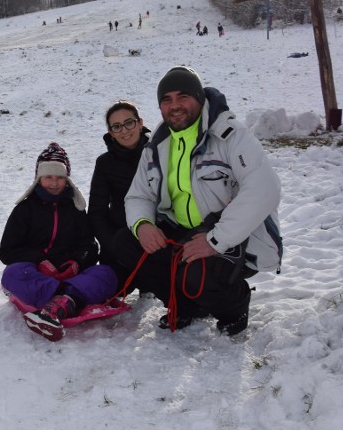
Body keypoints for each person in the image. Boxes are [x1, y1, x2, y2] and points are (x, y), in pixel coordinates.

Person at [108, 66, 282, 336]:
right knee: (126, 243)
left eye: (183, 97)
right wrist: (143, 224)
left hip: (228, 234)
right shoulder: (157, 143)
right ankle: (186, 305)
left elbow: (264, 189)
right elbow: (138, 194)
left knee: (198, 275)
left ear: (199, 98)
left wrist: (216, 239)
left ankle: (234, 307)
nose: (175, 106)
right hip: (180, 229)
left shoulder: (230, 134)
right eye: (167, 100)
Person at [0, 142, 118, 341]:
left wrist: (76, 262)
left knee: (106, 273)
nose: (54, 183)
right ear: (38, 179)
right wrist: (38, 260)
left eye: (60, 178)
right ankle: (68, 300)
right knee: (12, 273)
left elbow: (90, 246)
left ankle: (59, 302)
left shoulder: (75, 209)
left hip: (71, 275)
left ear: (67, 180)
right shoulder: (24, 210)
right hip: (38, 275)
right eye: (48, 177)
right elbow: (7, 251)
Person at [88, 100, 150, 271]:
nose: (124, 130)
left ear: (140, 123)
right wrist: (114, 247)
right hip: (120, 240)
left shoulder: (159, 153)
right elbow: (96, 212)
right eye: (116, 126)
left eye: (129, 123)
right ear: (111, 132)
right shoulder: (105, 163)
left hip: (158, 238)